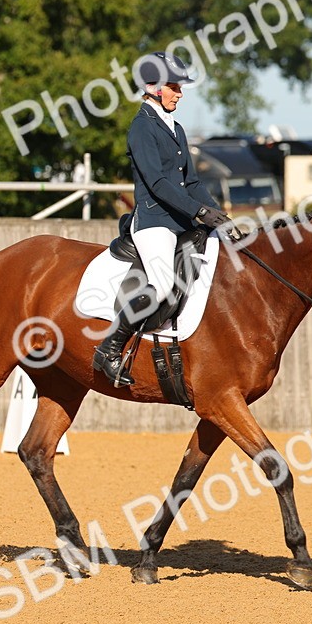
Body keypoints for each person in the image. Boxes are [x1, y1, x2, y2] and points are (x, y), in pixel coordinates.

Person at [92, 51, 243, 387]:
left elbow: (192, 182)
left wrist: (219, 216)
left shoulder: (175, 127)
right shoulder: (141, 127)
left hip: (183, 221)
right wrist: (198, 212)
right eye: (174, 87)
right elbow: (158, 183)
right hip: (154, 222)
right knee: (161, 284)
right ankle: (109, 348)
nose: (180, 93)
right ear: (153, 88)